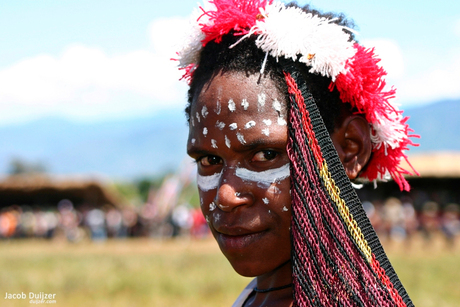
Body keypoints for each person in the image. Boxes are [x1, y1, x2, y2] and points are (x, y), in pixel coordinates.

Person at [175, 1, 418, 306]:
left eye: (265, 155)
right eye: (209, 161)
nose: (225, 196)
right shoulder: (255, 297)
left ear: (348, 149)